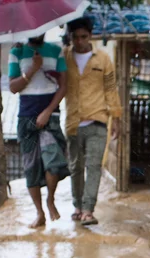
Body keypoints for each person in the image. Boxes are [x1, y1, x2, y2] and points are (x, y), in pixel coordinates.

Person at [63, 17, 122, 226]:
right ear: (70, 37)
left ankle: (88, 210)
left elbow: (110, 88)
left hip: (97, 120)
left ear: (90, 36)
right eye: (75, 37)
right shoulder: (64, 57)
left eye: (83, 37)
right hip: (72, 122)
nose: (79, 41)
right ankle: (77, 206)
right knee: (75, 166)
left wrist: (115, 117)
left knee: (94, 166)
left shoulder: (103, 59)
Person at [8, 35, 70, 228]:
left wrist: (48, 111)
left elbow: (63, 86)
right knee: (31, 167)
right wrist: (32, 69)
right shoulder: (16, 52)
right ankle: (40, 213)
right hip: (26, 118)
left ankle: (50, 199)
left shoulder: (55, 50)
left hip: (50, 116)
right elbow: (12, 87)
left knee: (53, 162)